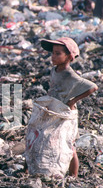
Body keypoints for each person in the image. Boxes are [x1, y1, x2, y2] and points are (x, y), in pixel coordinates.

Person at [40, 37, 98, 177]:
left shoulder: (69, 73)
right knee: (41, 138)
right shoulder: (55, 70)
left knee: (69, 145)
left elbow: (92, 87)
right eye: (53, 53)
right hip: (54, 109)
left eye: (58, 53)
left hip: (65, 113)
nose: (53, 56)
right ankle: (32, 169)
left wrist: (72, 101)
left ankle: (74, 176)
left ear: (69, 57)